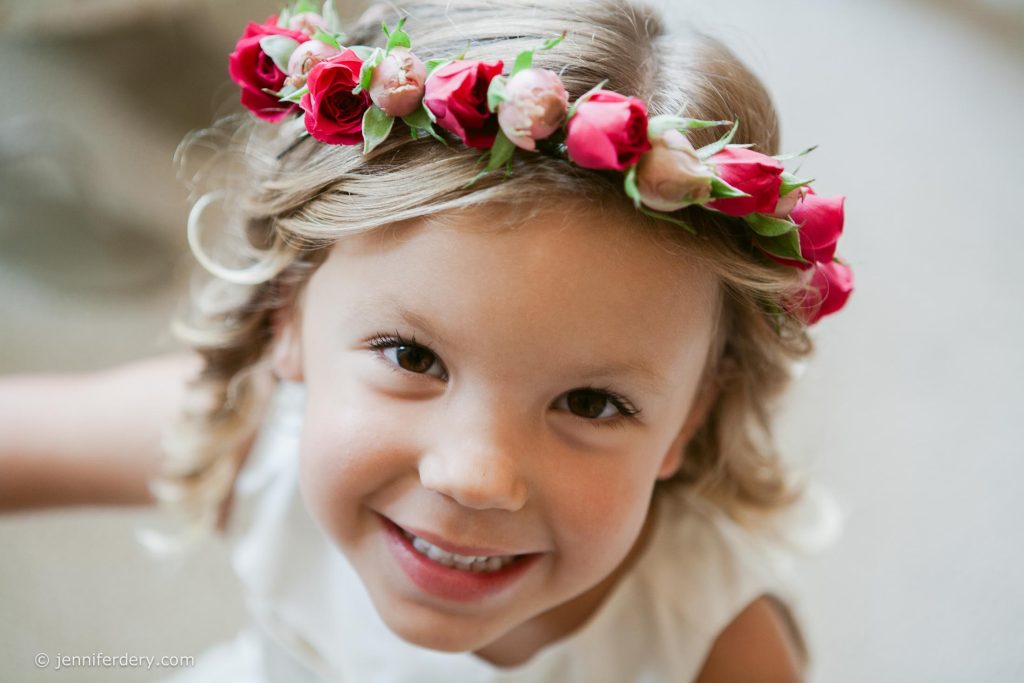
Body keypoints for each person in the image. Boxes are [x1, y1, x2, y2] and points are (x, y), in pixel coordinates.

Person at [0, 0, 853, 680]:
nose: (475, 477)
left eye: (591, 401)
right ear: (287, 315)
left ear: (691, 417)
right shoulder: (245, 435)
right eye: (413, 357)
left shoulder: (713, 643)